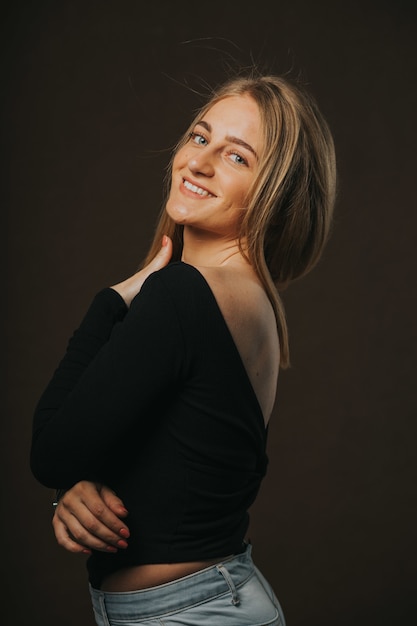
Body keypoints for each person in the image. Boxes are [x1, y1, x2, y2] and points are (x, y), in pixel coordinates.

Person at [30, 69, 336, 626]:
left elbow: (51, 450)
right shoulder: (249, 300)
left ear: (277, 192)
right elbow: (155, 457)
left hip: (190, 614)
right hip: (215, 601)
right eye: (200, 137)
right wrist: (73, 488)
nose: (198, 161)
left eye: (237, 156)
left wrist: (111, 301)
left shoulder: (184, 295)